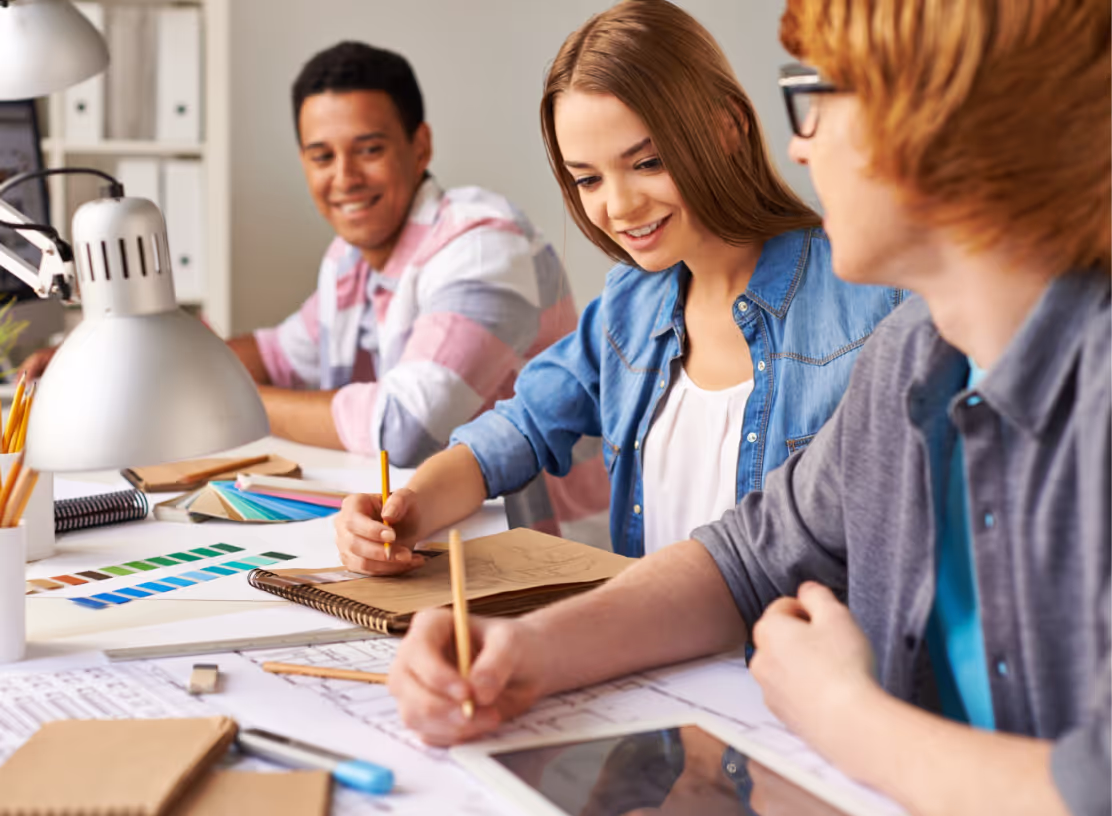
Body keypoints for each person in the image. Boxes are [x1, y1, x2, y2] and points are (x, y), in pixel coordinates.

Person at [382, 0, 1111, 814]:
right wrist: (528, 650)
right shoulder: (914, 355)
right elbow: (742, 561)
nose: (797, 142)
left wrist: (845, 714)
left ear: (942, 122)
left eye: (818, 99)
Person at [333, 0, 900, 572]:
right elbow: (517, 429)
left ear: (728, 127)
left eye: (648, 162)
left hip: (792, 658)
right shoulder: (632, 304)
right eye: (588, 178)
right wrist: (406, 509)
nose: (620, 205)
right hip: (643, 654)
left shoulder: (878, 301)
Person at [22, 43, 600, 526]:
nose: (344, 178)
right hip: (433, 530)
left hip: (546, 547)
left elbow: (406, 430)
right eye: (321, 156)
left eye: (368, 150)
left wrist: (214, 401)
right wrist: (127, 371)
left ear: (419, 145)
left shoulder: (481, 244)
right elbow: (275, 356)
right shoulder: (349, 260)